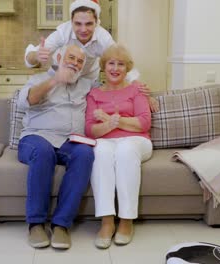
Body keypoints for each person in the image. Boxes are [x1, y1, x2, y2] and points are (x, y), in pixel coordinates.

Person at [17, 44, 95, 250]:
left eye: (80, 61)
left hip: (70, 141)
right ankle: (35, 223)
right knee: (43, 153)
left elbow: (115, 90)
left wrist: (142, 92)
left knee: (86, 153)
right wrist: (55, 80)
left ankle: (61, 224)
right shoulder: (38, 79)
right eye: (71, 58)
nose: (75, 63)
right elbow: (28, 100)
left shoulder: (87, 85)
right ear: (59, 57)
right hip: (36, 137)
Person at [25, 0, 160, 112]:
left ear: (96, 22)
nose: (83, 30)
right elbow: (30, 58)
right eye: (78, 24)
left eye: (89, 24)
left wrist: (142, 93)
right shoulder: (62, 32)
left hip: (87, 81)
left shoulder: (103, 37)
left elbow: (120, 63)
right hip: (60, 75)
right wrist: (36, 55)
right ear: (71, 21)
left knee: (87, 111)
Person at [85, 44, 153, 249]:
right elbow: (90, 130)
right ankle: (106, 222)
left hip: (136, 141)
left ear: (127, 68)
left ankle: (126, 221)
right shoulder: (94, 94)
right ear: (104, 67)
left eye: (120, 64)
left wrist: (110, 120)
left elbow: (143, 123)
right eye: (111, 63)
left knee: (125, 151)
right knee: (100, 151)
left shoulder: (137, 90)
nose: (115, 68)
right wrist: (110, 124)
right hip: (105, 140)